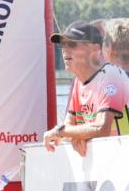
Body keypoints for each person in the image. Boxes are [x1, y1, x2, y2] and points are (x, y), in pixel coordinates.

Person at [44, 20, 129, 156]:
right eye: (62, 44)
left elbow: (101, 128)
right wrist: (75, 135)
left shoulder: (111, 76)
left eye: (72, 44)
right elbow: (69, 127)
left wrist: (61, 132)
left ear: (95, 49)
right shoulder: (79, 82)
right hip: (110, 161)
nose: (65, 49)